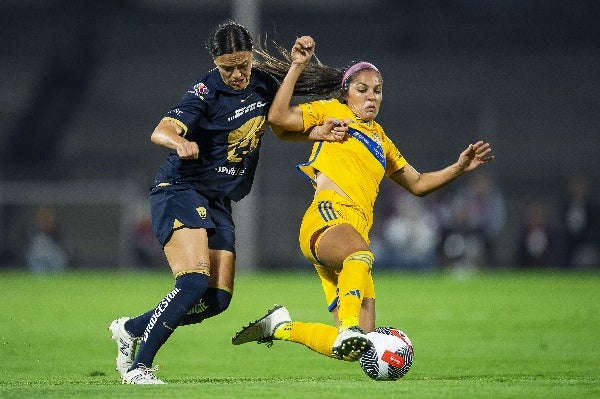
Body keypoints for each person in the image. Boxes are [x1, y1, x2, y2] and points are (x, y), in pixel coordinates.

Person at [108, 22, 344, 384]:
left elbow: (279, 127)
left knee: (216, 300)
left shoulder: (263, 83)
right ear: (215, 63)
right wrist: (179, 143)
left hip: (218, 199)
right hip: (181, 188)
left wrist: (315, 132)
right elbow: (162, 130)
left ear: (251, 58)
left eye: (243, 65)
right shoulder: (205, 91)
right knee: (192, 283)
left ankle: (130, 328)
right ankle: (139, 367)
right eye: (227, 67)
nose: (236, 74)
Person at [232, 36, 494, 362]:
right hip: (328, 219)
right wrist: (298, 66)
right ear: (345, 94)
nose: (371, 96)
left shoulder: (381, 140)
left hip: (352, 239)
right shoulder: (334, 112)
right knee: (360, 258)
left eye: (377, 90)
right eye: (362, 89)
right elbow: (278, 119)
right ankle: (350, 325)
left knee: (360, 347)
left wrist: (459, 167)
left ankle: (280, 327)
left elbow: (418, 183)